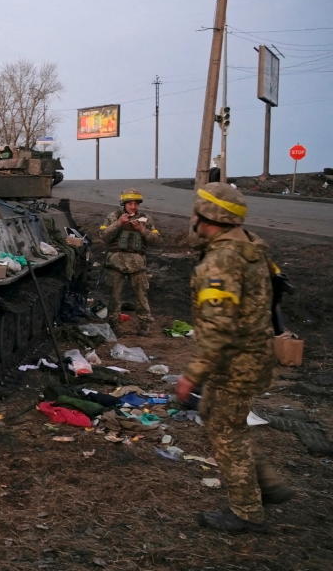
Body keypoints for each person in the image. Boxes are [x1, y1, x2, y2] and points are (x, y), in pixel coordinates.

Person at [176, 182, 293, 533]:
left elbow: (218, 326)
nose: (192, 219)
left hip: (234, 361)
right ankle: (268, 486)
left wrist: (192, 375)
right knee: (221, 420)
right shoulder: (249, 247)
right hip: (251, 354)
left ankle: (246, 512)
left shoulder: (222, 261)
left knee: (227, 432)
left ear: (208, 217)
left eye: (196, 213)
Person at [98, 188, 162, 335]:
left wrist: (142, 230)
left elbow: (157, 240)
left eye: (136, 204)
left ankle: (144, 325)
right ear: (124, 204)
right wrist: (119, 224)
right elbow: (103, 236)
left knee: (141, 296)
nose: (133, 207)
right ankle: (113, 325)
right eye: (130, 203)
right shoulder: (114, 216)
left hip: (137, 263)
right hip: (116, 263)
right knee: (114, 296)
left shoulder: (146, 219)